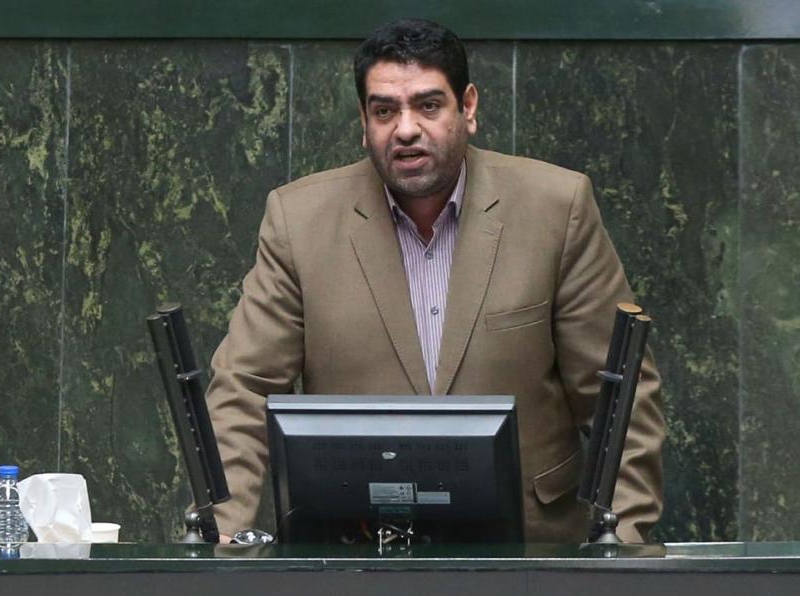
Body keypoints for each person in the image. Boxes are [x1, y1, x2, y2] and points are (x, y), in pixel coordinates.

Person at [204, 18, 665, 543]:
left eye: (428, 105)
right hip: (358, 550)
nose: (405, 129)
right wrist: (223, 544)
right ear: (363, 122)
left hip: (530, 549)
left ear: (467, 107)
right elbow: (243, 388)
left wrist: (620, 548)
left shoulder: (556, 209)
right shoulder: (299, 221)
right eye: (384, 111)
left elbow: (619, 398)